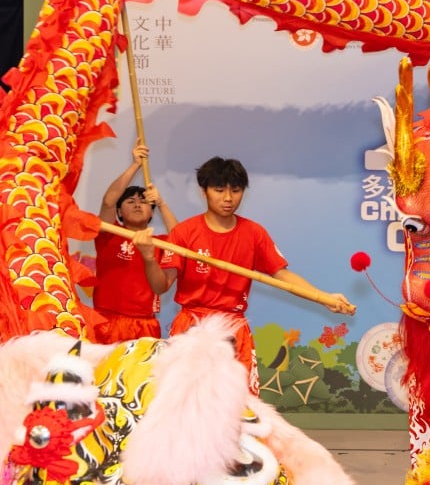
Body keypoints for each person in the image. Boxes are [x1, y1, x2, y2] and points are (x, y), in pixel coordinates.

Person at [132, 156, 352, 395]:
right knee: (187, 403)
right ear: (203, 191)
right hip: (192, 328)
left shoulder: (254, 233)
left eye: (235, 190)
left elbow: (282, 275)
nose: (228, 198)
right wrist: (148, 257)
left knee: (240, 407)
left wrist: (324, 298)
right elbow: (160, 286)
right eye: (219, 190)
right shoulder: (185, 232)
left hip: (233, 329)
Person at [92, 143, 178, 343]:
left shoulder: (162, 243)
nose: (138, 204)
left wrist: (161, 202)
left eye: (143, 201)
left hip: (144, 325)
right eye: (130, 201)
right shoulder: (109, 233)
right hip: (106, 321)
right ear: (119, 212)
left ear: (152, 212)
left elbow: (182, 239)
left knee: (141, 375)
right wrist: (135, 165)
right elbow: (108, 201)